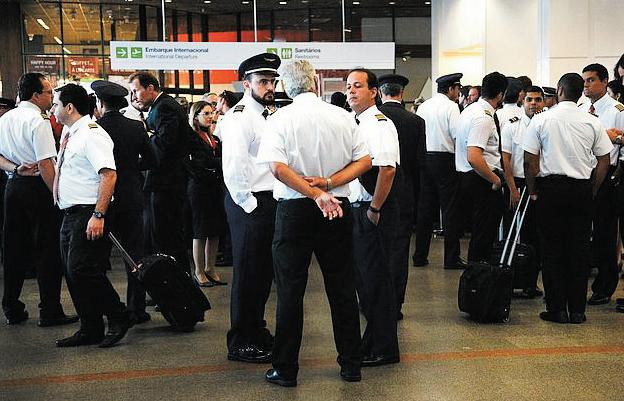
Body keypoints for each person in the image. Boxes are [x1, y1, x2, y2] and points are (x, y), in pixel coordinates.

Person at [258, 59, 371, 387]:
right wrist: (328, 185)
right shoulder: (342, 116)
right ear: (315, 82)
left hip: (295, 211)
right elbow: (365, 161)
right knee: (342, 286)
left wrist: (314, 194)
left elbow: (278, 168)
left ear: (285, 86)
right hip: (337, 207)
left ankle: (285, 369)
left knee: (290, 291)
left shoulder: (279, 119)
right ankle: (351, 364)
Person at [523, 72, 612, 324]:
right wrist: (593, 188)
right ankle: (577, 310)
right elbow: (604, 159)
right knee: (579, 249)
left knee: (551, 249)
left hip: (550, 189)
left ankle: (557, 309)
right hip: (581, 190)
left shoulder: (541, 120)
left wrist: (533, 190)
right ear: (580, 92)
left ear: (560, 91)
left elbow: (529, 160)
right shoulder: (592, 121)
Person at [52, 83, 131, 347]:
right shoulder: (71, 132)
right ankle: (90, 327)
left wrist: (98, 214)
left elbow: (108, 175)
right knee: (72, 271)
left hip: (88, 212)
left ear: (69, 107)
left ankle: (119, 314)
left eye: (56, 104)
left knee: (83, 269)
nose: (52, 109)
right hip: (70, 212)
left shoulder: (92, 134)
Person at [0, 73, 78, 327]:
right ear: (35, 96)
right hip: (38, 189)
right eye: (48, 92)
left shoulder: (6, 118)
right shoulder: (38, 121)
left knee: (13, 248)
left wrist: (15, 168)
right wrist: (58, 196)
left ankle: (11, 307)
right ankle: (50, 310)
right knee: (47, 250)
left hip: (13, 187)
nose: (52, 97)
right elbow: (45, 164)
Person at [219, 53, 280, 363]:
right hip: (249, 202)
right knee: (247, 273)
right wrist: (250, 206)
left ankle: (256, 330)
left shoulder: (266, 115)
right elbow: (233, 167)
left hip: (267, 201)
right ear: (246, 84)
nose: (269, 87)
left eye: (272, 81)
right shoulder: (239, 117)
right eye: (263, 81)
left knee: (261, 273)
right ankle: (241, 341)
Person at [347, 68, 401, 367]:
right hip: (358, 209)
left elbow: (387, 169)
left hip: (373, 210)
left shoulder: (380, 124)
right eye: (349, 86)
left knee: (376, 281)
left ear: (374, 92)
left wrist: (375, 209)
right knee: (365, 283)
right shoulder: (356, 122)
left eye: (358, 86)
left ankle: (384, 347)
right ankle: (371, 341)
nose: (351, 91)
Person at [91, 80, 155, 325]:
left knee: (98, 257)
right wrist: (131, 168)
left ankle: (104, 308)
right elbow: (153, 160)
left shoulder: (94, 128)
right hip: (131, 196)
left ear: (100, 103)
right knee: (135, 254)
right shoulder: (136, 127)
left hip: (102, 199)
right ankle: (136, 308)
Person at [128, 72, 191, 279]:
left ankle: (176, 285)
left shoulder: (165, 107)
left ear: (150, 88)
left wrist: (144, 141)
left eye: (136, 91)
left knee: (167, 238)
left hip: (167, 183)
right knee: (165, 236)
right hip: (165, 182)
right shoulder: (160, 106)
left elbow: (165, 144)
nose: (134, 96)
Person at [378, 73, 426, 318]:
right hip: (404, 192)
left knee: (373, 249)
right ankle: (395, 304)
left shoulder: (371, 118)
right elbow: (420, 163)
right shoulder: (415, 121)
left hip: (374, 191)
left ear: (380, 92)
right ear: (402, 93)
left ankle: (372, 300)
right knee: (399, 250)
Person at [578, 63, 624, 306]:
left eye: (591, 80)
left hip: (608, 175)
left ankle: (605, 286)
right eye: (584, 80)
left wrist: (614, 138)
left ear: (605, 82)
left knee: (605, 233)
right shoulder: (580, 108)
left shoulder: (617, 110)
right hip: (582, 173)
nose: (586, 85)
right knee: (582, 230)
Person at [413, 73, 465, 269]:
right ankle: (451, 258)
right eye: (457, 89)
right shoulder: (451, 107)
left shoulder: (424, 106)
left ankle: (419, 255)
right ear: (451, 89)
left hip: (425, 158)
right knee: (450, 210)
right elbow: (457, 134)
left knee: (425, 209)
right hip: (445, 160)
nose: (458, 94)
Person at [455, 72, 508, 263]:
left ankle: (478, 270)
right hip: (482, 179)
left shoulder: (470, 110)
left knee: (481, 231)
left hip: (470, 177)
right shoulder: (483, 117)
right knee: (484, 234)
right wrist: (495, 180)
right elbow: (474, 157)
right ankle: (479, 273)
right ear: (500, 94)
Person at [500, 85, 546, 298]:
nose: (533, 104)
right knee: (513, 235)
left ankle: (530, 283)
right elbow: (505, 160)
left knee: (536, 236)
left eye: (538, 99)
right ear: (522, 101)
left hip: (539, 184)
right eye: (529, 100)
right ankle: (509, 280)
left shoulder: (547, 124)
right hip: (517, 183)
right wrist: (512, 189)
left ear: (543, 102)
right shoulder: (512, 126)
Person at [187, 100, 227, 287]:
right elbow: (197, 164)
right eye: (206, 113)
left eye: (212, 113)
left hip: (215, 187)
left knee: (215, 230)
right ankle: (199, 270)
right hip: (199, 188)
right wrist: (216, 165)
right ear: (196, 117)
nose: (211, 117)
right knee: (201, 230)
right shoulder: (192, 138)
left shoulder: (214, 138)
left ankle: (210, 267)